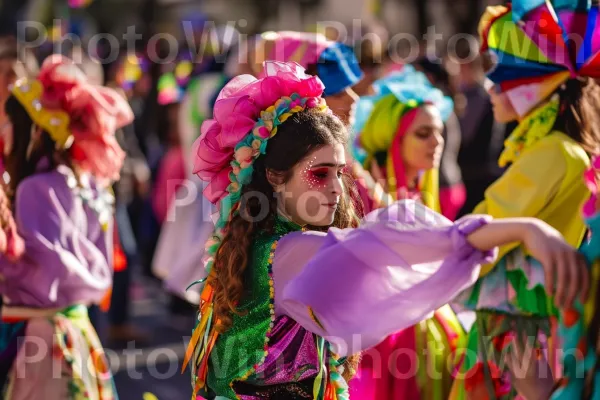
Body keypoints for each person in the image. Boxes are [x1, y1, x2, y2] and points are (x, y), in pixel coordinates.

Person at [183, 60, 588, 399]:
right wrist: (526, 230)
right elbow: (389, 243)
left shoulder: (264, 242)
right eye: (319, 174)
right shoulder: (290, 252)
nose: (338, 189)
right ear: (274, 176)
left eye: (339, 173)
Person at [450, 1, 600, 398]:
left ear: (540, 85)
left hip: (517, 325)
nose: (490, 85)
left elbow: (479, 228)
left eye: (504, 74)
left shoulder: (554, 152)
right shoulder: (557, 147)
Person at [0, 55, 133, 398]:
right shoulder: (88, 182)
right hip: (78, 331)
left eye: (10, 121)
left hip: (40, 339)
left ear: (35, 131)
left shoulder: (35, 188)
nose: (4, 130)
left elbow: (38, 268)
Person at [349, 65, 463, 399]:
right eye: (423, 134)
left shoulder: (417, 188)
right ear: (394, 138)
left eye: (439, 131)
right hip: (377, 341)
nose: (437, 142)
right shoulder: (366, 191)